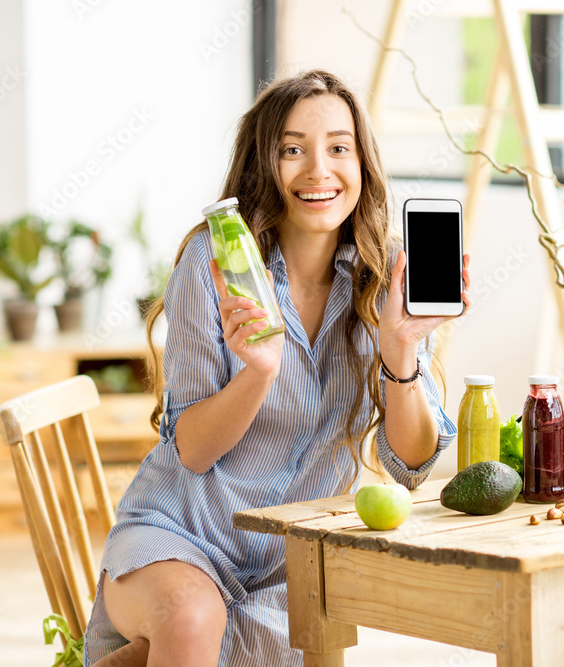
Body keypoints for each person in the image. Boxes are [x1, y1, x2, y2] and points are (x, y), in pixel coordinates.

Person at [83, 69, 472, 667]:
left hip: (290, 562)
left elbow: (413, 463)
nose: (319, 170)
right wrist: (258, 372)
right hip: (181, 533)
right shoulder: (213, 262)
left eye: (338, 148)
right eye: (293, 150)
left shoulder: (384, 275)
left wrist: (400, 351)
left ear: (362, 163)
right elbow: (190, 450)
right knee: (191, 618)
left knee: (256, 638)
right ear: (265, 165)